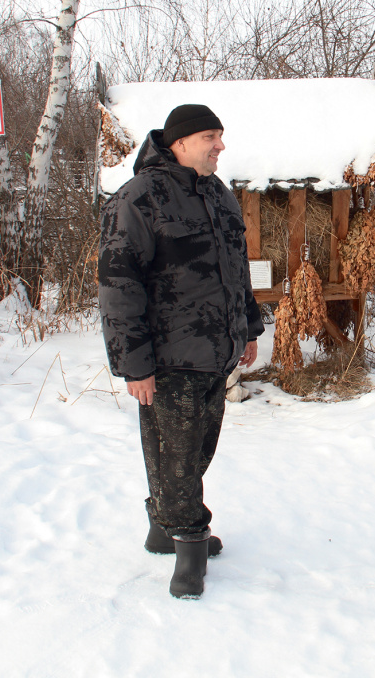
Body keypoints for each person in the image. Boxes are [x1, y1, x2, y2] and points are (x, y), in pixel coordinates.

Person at [99, 103, 264, 599]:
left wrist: (248, 328)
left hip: (217, 350)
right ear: (180, 143)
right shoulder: (138, 198)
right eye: (211, 136)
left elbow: (237, 269)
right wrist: (134, 364)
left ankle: (161, 524)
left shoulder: (218, 195)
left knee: (195, 451)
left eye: (220, 135)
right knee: (176, 456)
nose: (220, 145)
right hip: (169, 357)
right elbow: (117, 285)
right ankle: (188, 546)